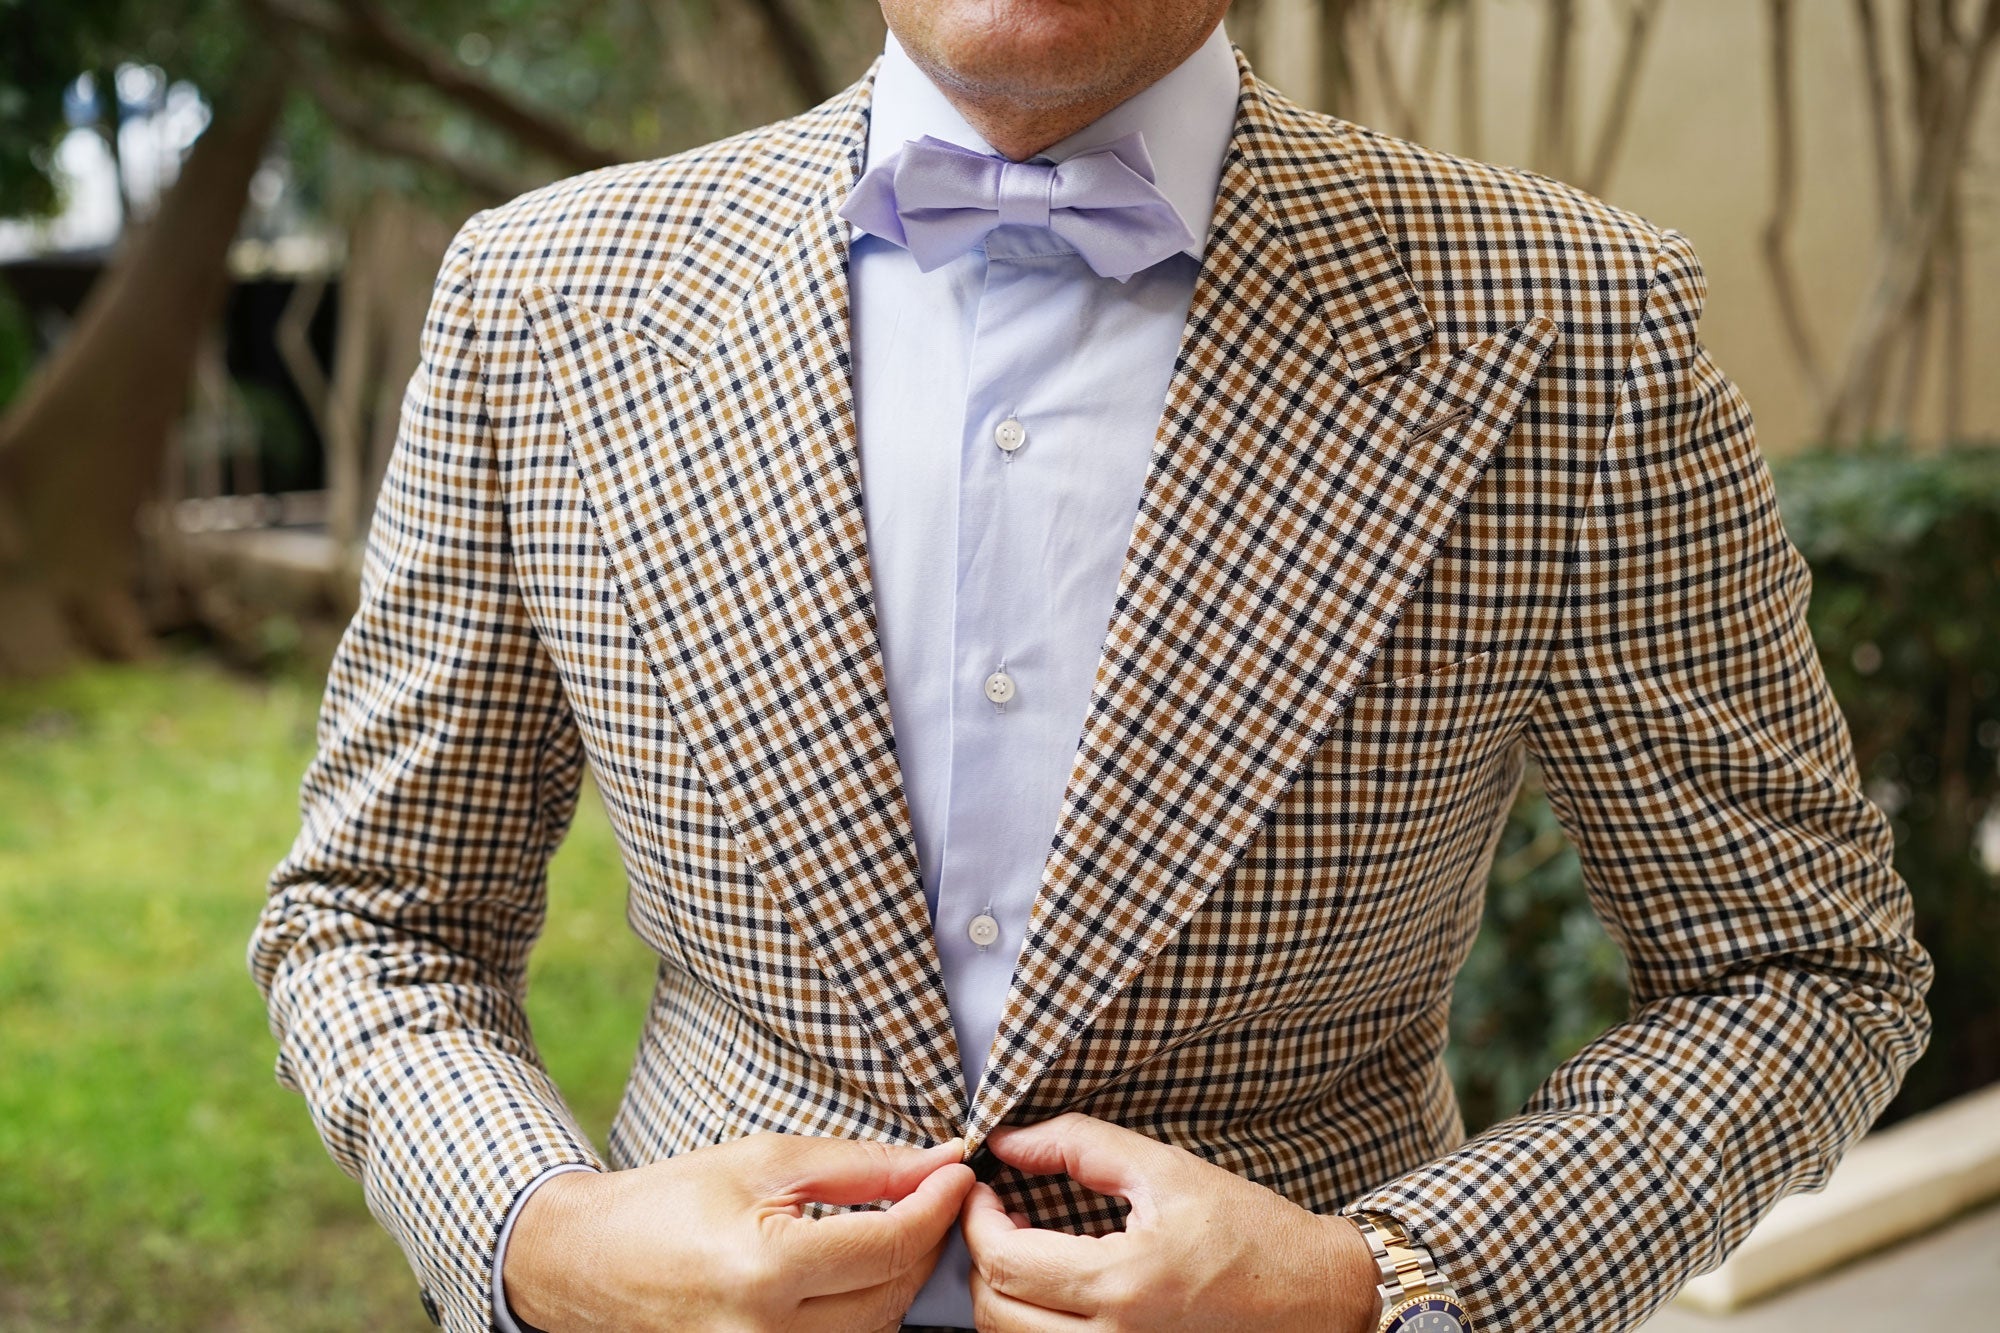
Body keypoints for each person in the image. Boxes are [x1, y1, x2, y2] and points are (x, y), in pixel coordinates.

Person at [249, 1, 1933, 1329]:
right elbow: (375, 917)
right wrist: (540, 1235)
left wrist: (1390, 1282)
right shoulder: (544, 300)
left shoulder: (1576, 322)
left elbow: (1800, 970)